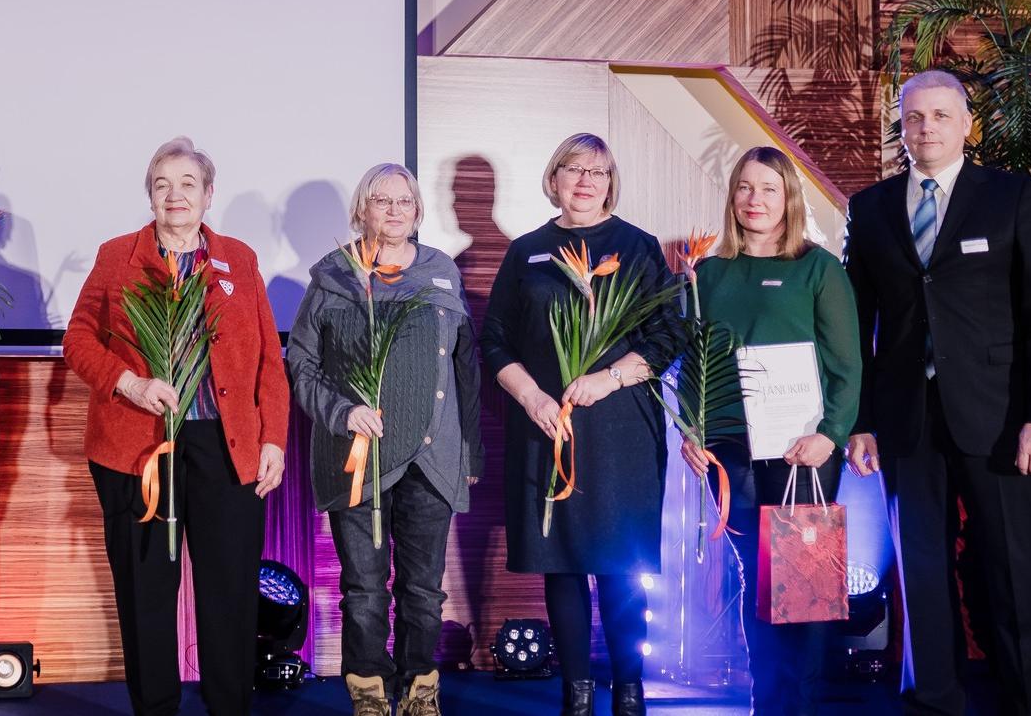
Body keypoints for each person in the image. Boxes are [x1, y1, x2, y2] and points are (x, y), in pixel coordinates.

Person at [842, 69, 1031, 715]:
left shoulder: (1012, 196)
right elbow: (856, 325)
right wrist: (860, 421)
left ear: (968, 123)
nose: (927, 128)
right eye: (915, 117)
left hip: (1002, 421)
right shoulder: (872, 208)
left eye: (941, 115)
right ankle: (937, 703)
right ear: (902, 127)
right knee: (921, 577)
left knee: (1014, 575)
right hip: (906, 422)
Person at [62, 136, 289, 716]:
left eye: (187, 184)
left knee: (230, 591)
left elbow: (268, 357)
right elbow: (78, 340)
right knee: (146, 594)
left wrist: (274, 439)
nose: (174, 195)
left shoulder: (238, 258)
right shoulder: (118, 255)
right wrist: (129, 383)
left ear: (209, 194)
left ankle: (229, 707)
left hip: (226, 445)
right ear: (150, 195)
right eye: (162, 184)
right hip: (138, 450)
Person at [480, 132, 682, 716]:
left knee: (620, 564)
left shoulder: (638, 247)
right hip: (548, 428)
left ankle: (629, 690)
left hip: (621, 430)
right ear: (554, 178)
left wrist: (609, 378)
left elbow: (668, 335)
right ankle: (577, 693)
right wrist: (532, 397)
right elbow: (494, 339)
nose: (585, 181)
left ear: (611, 181)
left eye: (598, 171)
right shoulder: (528, 252)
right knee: (561, 562)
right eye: (574, 169)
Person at [287, 163, 480, 716]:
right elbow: (300, 362)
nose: (394, 211)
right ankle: (368, 690)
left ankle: (421, 689)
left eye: (405, 202)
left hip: (432, 457)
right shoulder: (333, 276)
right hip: (360, 457)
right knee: (365, 590)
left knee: (424, 592)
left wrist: (471, 450)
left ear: (418, 212)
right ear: (361, 211)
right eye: (381, 201)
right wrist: (343, 412)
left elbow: (466, 365)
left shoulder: (442, 271)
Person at [681, 146, 861, 716]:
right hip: (728, 448)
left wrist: (830, 434)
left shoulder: (819, 268)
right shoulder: (707, 272)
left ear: (789, 198)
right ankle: (766, 701)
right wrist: (692, 430)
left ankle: (802, 704)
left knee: (803, 581)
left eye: (768, 189)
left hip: (802, 448)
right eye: (744, 187)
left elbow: (847, 366)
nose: (754, 200)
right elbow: (691, 360)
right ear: (731, 195)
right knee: (755, 578)